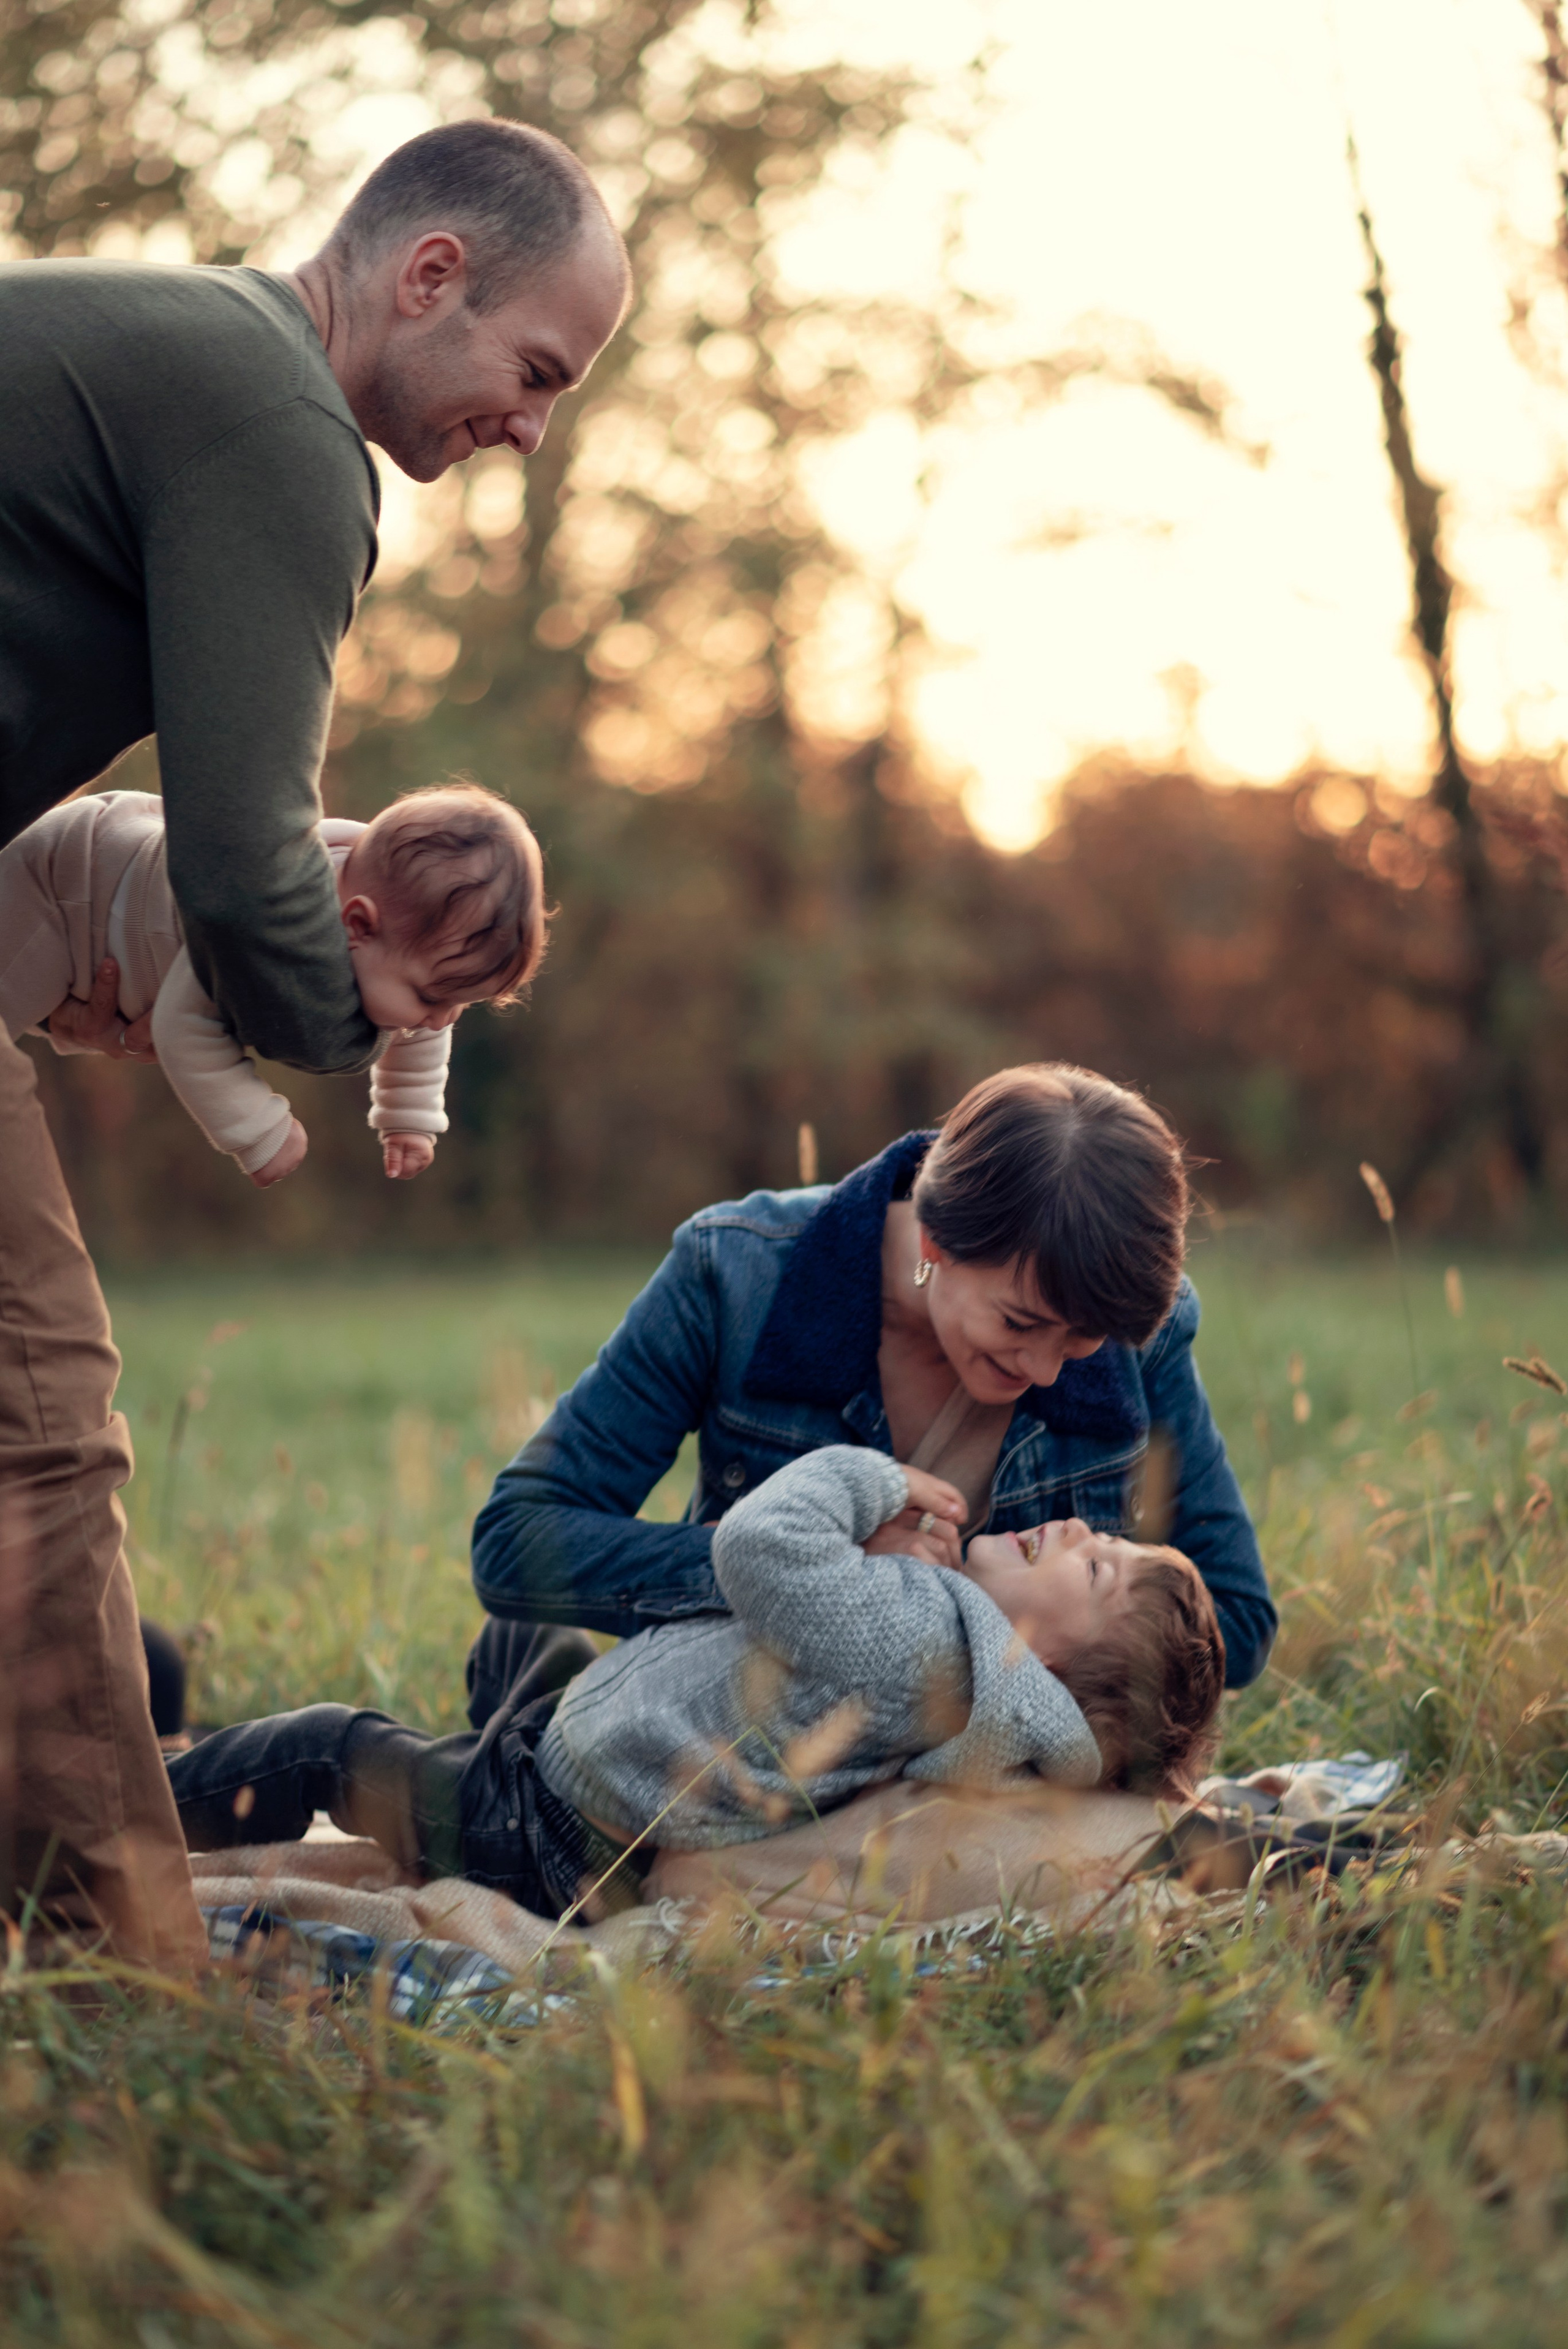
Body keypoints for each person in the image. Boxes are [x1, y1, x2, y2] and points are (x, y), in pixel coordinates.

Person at [0, 117, 628, 1967]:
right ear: (427, 273)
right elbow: (253, 872)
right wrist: (350, 996)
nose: (527, 428)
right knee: (37, 1422)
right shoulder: (280, 426)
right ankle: (121, 1970)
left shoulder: (179, 354)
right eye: (532, 371)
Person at [472, 1063, 1278, 1689]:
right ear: (933, 1240)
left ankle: (533, 1690)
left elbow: (1234, 1623)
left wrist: (975, 1642)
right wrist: (809, 1565)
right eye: (1020, 1323)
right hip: (744, 1733)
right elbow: (515, 1541)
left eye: (1083, 1339)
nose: (1041, 1368)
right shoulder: (736, 1273)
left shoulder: (1144, 1322)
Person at [165, 1446, 1226, 1920]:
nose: (1083, 1529)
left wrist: (873, 1480)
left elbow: (758, 1550)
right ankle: (461, 1765)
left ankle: (114, 1819)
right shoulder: (959, 1670)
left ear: (1042, 1662)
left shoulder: (923, 1644)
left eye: (1096, 1568)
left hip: (540, 1828)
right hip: (585, 1772)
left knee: (328, 1747)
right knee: (521, 1642)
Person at [0, 781, 546, 1186]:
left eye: (462, 1002)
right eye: (433, 997)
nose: (443, 1018)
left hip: (133, 864)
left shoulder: (400, 942)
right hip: (70, 883)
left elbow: (421, 1023)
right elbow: (183, 1026)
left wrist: (410, 1116)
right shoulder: (263, 922)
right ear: (357, 925)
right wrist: (260, 1129)